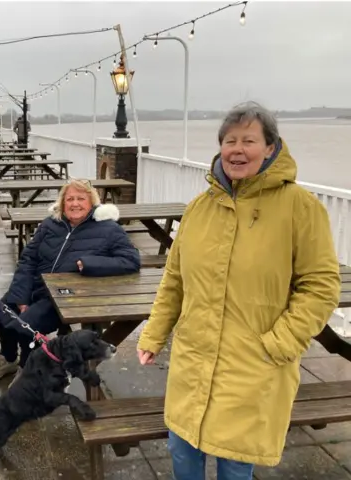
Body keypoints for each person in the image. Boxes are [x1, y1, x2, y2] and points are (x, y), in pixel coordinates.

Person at [137, 101, 341, 479]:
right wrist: (154, 334)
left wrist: (278, 343)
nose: (237, 149)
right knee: (182, 451)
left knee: (234, 463)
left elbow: (321, 286)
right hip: (193, 359)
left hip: (251, 364)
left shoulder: (300, 207)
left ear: (270, 147)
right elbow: (175, 279)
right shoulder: (200, 208)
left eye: (249, 140)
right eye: (230, 140)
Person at [0, 178, 141, 382]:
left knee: (25, 328)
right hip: (35, 286)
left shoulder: (108, 229)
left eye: (80, 199)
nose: (74, 204)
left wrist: (89, 264)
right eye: (70, 199)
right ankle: (8, 358)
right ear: (62, 202)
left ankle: (28, 371)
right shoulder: (51, 224)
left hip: (64, 296)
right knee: (1, 312)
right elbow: (28, 258)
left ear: (92, 202)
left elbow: (131, 260)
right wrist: (21, 296)